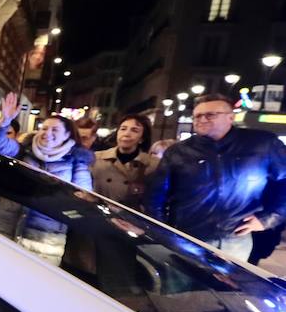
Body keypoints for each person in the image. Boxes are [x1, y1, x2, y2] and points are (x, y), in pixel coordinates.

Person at [146, 93, 286, 260]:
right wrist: (163, 232)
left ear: (230, 117)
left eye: (210, 114)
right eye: (197, 116)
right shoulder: (179, 151)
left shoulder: (262, 144)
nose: (201, 119)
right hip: (186, 236)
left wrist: (268, 219)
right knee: (182, 284)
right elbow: (156, 195)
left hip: (234, 240)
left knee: (227, 286)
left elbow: (283, 182)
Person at [0, 93, 93, 263]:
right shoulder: (24, 150)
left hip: (45, 237)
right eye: (44, 128)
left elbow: (82, 196)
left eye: (55, 130)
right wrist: (4, 121)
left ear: (68, 136)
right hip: (6, 223)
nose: (47, 133)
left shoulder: (76, 162)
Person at [91, 113, 158, 209]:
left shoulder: (152, 164)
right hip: (99, 216)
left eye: (134, 130)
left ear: (142, 138)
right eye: (123, 129)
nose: (126, 134)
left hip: (131, 220)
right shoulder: (96, 158)